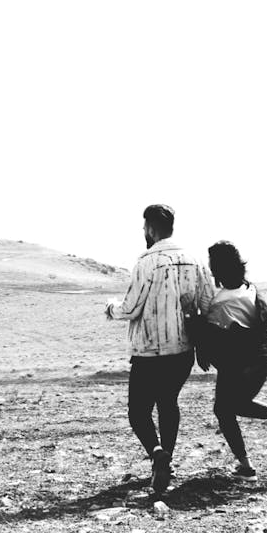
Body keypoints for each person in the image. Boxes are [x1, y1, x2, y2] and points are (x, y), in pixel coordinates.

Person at [105, 204, 215, 495]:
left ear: (151, 227)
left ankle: (157, 455)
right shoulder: (194, 260)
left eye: (144, 227)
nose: (144, 232)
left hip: (148, 351)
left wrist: (110, 308)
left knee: (138, 411)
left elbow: (130, 308)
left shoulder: (146, 261)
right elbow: (208, 305)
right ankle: (167, 456)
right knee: (169, 403)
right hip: (182, 351)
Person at [202, 240, 267, 482]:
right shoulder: (251, 290)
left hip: (237, 367)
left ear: (216, 269)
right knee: (235, 405)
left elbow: (213, 335)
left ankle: (246, 466)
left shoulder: (221, 301)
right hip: (260, 364)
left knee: (223, 410)